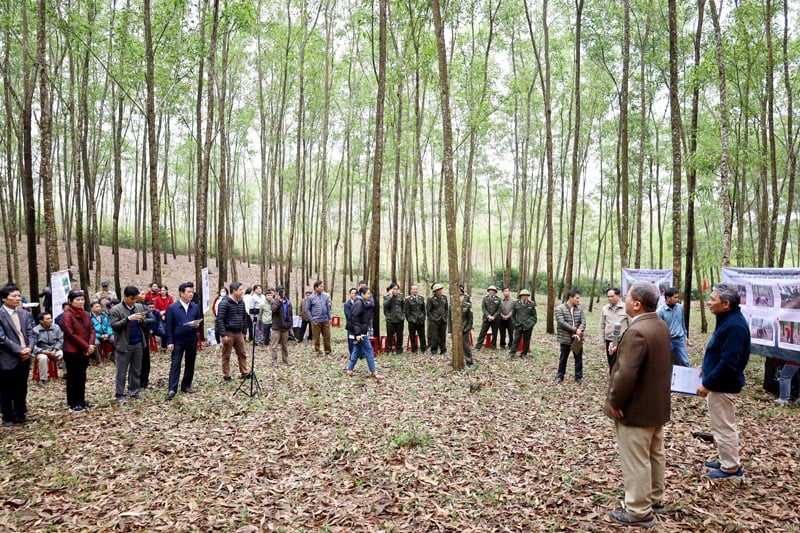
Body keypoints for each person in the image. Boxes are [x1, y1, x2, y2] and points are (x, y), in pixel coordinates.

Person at [605, 282, 671, 528]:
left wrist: (615, 401)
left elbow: (625, 374)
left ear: (637, 304)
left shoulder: (637, 331)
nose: (624, 299)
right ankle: (655, 499)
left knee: (636, 460)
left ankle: (637, 510)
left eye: (627, 296)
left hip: (636, 409)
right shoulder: (660, 325)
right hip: (655, 407)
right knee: (655, 455)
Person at [697, 283, 750, 480]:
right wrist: (706, 367)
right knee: (719, 425)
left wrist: (708, 383)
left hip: (723, 385)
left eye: (713, 299)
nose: (709, 302)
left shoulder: (734, 326)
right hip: (719, 383)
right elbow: (720, 352)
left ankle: (731, 469)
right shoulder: (726, 319)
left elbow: (730, 362)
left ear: (726, 303)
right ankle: (726, 459)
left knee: (724, 426)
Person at [109, 286, 154, 404]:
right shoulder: (116, 310)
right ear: (125, 297)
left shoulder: (139, 307)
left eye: (135, 299)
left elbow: (147, 321)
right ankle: (120, 393)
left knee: (136, 369)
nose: (133, 301)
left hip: (138, 342)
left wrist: (142, 320)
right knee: (122, 371)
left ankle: (134, 390)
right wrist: (128, 319)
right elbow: (114, 326)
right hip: (124, 344)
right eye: (131, 299)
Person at [0, 283, 36, 427]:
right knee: (6, 389)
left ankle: (20, 413)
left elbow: (31, 333)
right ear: (4, 299)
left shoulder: (24, 313)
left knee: (22, 387)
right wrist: (19, 350)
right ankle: (7, 417)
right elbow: (2, 338)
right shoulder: (1, 314)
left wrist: (29, 348)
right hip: (7, 358)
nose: (17, 298)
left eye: (19, 295)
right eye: (13, 296)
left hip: (25, 356)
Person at [164, 282, 203, 400]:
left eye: (192, 292)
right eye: (188, 292)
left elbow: (199, 321)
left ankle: (186, 385)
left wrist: (197, 326)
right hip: (178, 340)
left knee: (190, 363)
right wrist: (169, 341)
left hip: (191, 338)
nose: (191, 294)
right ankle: (172, 388)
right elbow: (168, 326)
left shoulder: (195, 306)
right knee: (176, 363)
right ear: (181, 293)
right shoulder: (172, 308)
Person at [60, 290, 97, 413]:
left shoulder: (86, 314)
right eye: (78, 300)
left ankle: (81, 400)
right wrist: (86, 346)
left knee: (82, 376)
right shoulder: (67, 315)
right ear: (71, 301)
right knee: (73, 377)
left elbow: (92, 329)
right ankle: (73, 403)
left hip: (85, 350)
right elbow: (70, 334)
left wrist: (91, 344)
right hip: (72, 350)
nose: (81, 302)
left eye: (82, 299)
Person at [345, 287, 384, 379]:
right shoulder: (359, 303)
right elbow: (355, 319)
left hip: (362, 330)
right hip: (361, 332)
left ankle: (349, 370)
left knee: (356, 350)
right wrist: (358, 334)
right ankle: (374, 372)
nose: (369, 295)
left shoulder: (362, 302)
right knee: (369, 351)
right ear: (362, 294)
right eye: (367, 294)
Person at [215, 282, 251, 382]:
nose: (242, 291)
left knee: (242, 353)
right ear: (234, 291)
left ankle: (245, 372)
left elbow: (244, 317)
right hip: (228, 332)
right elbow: (220, 319)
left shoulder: (241, 302)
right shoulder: (225, 303)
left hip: (239, 332)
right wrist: (223, 334)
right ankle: (226, 375)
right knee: (226, 355)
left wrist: (244, 330)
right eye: (240, 290)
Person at [555, 288, 586, 384]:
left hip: (577, 338)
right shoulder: (559, 308)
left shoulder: (580, 309)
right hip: (565, 338)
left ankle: (579, 377)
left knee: (578, 358)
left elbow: (583, 321)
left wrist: (580, 330)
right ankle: (560, 376)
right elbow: (561, 322)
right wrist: (575, 330)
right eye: (577, 298)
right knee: (563, 358)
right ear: (570, 298)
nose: (578, 300)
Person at [656, 287, 690, 367]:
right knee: (666, 364)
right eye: (675, 297)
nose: (677, 299)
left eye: (678, 297)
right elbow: (659, 330)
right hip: (667, 341)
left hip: (680, 339)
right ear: (668, 298)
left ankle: (686, 378)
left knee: (685, 362)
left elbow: (682, 323)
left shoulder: (680, 307)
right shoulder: (660, 312)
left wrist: (685, 336)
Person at [600, 287, 630, 369]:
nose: (610, 298)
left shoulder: (626, 307)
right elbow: (602, 325)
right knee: (611, 362)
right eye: (608, 296)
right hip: (609, 339)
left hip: (622, 340)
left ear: (618, 295)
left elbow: (631, 325)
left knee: (622, 362)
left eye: (612, 296)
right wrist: (601, 341)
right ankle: (612, 379)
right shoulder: (605, 308)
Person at [33, 312, 64, 386]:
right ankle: (43, 379)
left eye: (51, 318)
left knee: (64, 354)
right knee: (43, 358)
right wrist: (42, 351)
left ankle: (66, 374)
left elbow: (60, 340)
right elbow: (32, 345)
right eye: (48, 319)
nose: (50, 320)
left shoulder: (56, 327)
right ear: (41, 321)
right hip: (41, 351)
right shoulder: (35, 330)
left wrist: (55, 349)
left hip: (54, 349)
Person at [508, 289, 537, 358]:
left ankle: (524, 354)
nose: (525, 297)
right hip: (518, 325)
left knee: (527, 340)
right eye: (523, 296)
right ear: (520, 296)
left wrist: (531, 324)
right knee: (516, 339)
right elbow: (513, 315)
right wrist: (515, 323)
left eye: (526, 296)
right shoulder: (516, 303)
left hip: (528, 326)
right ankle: (512, 353)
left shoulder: (531, 304)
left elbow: (534, 316)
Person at [269, 286, 293, 366]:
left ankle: (285, 358)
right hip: (276, 327)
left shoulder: (288, 302)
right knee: (274, 345)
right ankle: (274, 360)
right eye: (280, 292)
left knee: (285, 345)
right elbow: (274, 310)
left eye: (283, 291)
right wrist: (279, 302)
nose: (282, 293)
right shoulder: (274, 301)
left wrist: (290, 324)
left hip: (285, 327)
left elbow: (290, 314)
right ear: (276, 293)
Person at [307, 280, 333, 355]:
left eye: (322, 286)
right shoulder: (311, 297)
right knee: (316, 337)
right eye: (321, 286)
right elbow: (307, 309)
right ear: (316, 288)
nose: (322, 287)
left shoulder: (325, 296)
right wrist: (312, 319)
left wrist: (329, 318)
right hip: (316, 321)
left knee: (327, 336)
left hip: (325, 320)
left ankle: (328, 351)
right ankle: (317, 351)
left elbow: (328, 308)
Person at [475, 285, 501, 350]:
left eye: (493, 291)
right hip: (486, 319)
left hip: (495, 319)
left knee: (494, 333)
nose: (491, 292)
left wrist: (493, 317)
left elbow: (499, 309)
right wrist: (488, 316)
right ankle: (478, 346)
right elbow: (483, 308)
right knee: (482, 332)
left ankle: (493, 346)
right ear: (488, 291)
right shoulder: (485, 298)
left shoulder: (499, 299)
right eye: (490, 290)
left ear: (495, 292)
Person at [383, 282, 405, 354]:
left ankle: (399, 349)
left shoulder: (401, 296)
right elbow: (385, 306)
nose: (396, 290)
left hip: (399, 319)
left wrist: (403, 315)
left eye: (397, 289)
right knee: (390, 336)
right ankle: (390, 350)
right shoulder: (386, 297)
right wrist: (390, 296)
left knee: (400, 335)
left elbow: (403, 307)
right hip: (390, 319)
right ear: (391, 289)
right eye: (394, 289)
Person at [90, 301, 114, 365]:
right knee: (96, 343)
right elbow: (90, 330)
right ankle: (99, 361)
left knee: (114, 339)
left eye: (99, 306)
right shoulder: (89, 317)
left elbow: (109, 325)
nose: (99, 308)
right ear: (92, 308)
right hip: (96, 335)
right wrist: (100, 336)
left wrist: (108, 334)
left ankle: (113, 356)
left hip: (106, 334)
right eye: (96, 307)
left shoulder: (104, 315)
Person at [427, 283, 448, 355]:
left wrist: (445, 317)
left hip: (443, 320)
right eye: (438, 290)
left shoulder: (444, 298)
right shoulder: (430, 299)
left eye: (441, 290)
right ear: (435, 292)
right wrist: (433, 319)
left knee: (443, 336)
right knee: (434, 336)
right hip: (434, 321)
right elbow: (429, 311)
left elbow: (446, 309)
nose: (440, 292)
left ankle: (443, 350)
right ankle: (434, 350)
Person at [405, 284, 427, 354]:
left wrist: (423, 317)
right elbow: (407, 311)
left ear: (418, 290)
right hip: (412, 321)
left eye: (416, 289)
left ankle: (424, 349)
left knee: (422, 335)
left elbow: (423, 310)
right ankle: (414, 349)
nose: (415, 290)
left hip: (420, 320)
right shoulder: (408, 299)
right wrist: (409, 319)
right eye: (413, 289)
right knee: (412, 336)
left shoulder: (421, 298)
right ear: (411, 290)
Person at [459, 289, 474, 367]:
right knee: (456, 346)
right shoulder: (452, 305)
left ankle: (469, 362)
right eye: (458, 295)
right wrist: (450, 331)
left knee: (465, 345)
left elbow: (470, 319)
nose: (460, 297)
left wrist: (467, 328)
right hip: (456, 330)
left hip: (465, 328)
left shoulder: (468, 305)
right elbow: (450, 319)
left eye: (461, 295)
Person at [344, 288, 358, 355]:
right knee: (351, 340)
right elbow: (348, 315)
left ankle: (359, 354)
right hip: (351, 326)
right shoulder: (347, 304)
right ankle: (351, 354)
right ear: (350, 294)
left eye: (355, 293)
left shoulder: (359, 303)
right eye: (352, 293)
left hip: (358, 326)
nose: (354, 294)